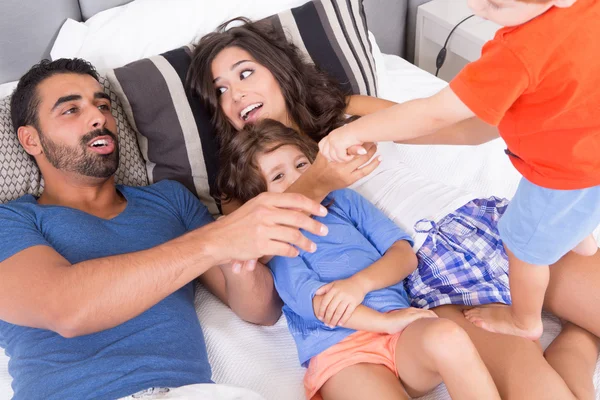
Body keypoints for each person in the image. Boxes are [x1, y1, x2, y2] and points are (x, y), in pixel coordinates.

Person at [189, 16, 600, 400]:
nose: (235, 93)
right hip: (430, 272)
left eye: (244, 73)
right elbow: (257, 267)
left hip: (486, 224)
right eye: (220, 90)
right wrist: (318, 180)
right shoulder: (239, 186)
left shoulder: (349, 109)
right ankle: (580, 342)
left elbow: (450, 126)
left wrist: (530, 115)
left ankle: (581, 340)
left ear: (278, 71)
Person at [0, 58, 332, 400]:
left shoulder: (170, 200)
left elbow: (259, 310)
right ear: (31, 140)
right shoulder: (11, 221)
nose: (99, 117)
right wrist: (214, 241)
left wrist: (239, 253)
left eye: (102, 105)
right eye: (70, 110)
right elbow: (66, 309)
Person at [317, 0, 600, 341]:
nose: (478, 7)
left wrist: (354, 131)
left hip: (561, 174)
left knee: (521, 246)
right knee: (578, 210)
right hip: (590, 155)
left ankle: (524, 321)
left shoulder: (515, 53)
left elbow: (434, 114)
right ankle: (580, 241)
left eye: (496, 4)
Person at [216, 119, 501, 400]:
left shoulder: (344, 201)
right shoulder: (277, 243)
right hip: (342, 352)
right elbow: (320, 305)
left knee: (448, 337)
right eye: (278, 177)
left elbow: (403, 256)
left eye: (301, 165)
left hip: (400, 329)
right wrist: (382, 322)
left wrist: (360, 286)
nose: (297, 178)